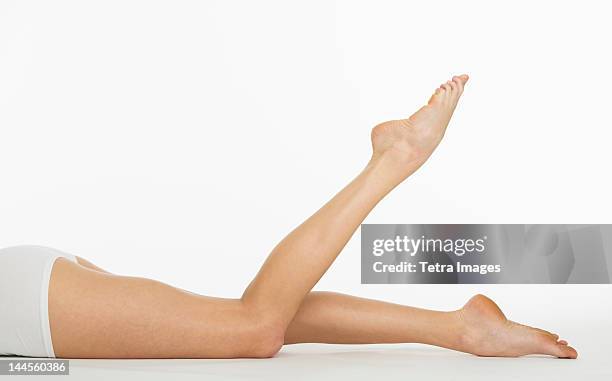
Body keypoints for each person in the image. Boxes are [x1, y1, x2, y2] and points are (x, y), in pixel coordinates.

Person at [0, 75, 578, 359]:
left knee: (253, 328)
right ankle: (460, 328)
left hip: (23, 306)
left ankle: (393, 160)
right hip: (27, 296)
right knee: (245, 317)